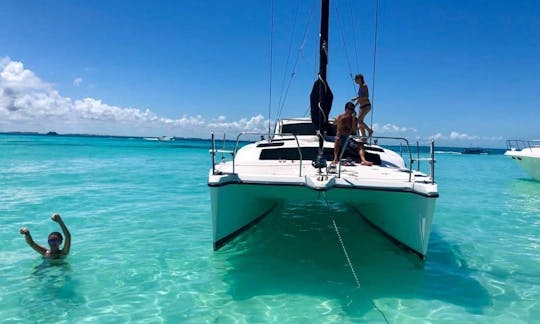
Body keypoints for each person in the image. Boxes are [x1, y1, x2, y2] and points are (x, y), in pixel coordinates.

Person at [331, 102, 373, 166]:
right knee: (337, 138)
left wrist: (353, 119)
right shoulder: (340, 116)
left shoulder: (354, 119)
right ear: (346, 109)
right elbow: (334, 123)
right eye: (350, 109)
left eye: (352, 109)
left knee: (361, 145)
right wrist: (342, 118)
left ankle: (363, 160)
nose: (351, 111)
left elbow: (354, 130)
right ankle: (335, 158)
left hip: (349, 138)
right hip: (340, 137)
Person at [352, 74, 374, 138]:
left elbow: (366, 96)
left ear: (359, 79)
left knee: (359, 120)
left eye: (355, 79)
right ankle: (364, 137)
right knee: (360, 122)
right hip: (361, 107)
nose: (355, 81)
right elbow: (360, 97)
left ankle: (369, 130)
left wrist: (357, 99)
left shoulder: (364, 86)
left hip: (366, 105)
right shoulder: (360, 87)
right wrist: (355, 102)